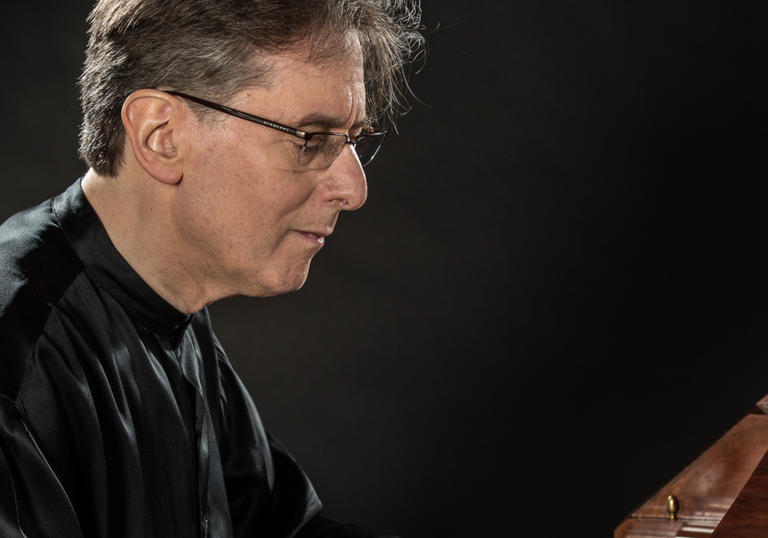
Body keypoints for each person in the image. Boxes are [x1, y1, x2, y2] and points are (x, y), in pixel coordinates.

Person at [0, 1, 423, 536]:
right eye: (310, 139)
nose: (354, 189)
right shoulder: (16, 364)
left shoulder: (168, 301)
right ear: (162, 135)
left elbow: (281, 529)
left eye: (354, 140)